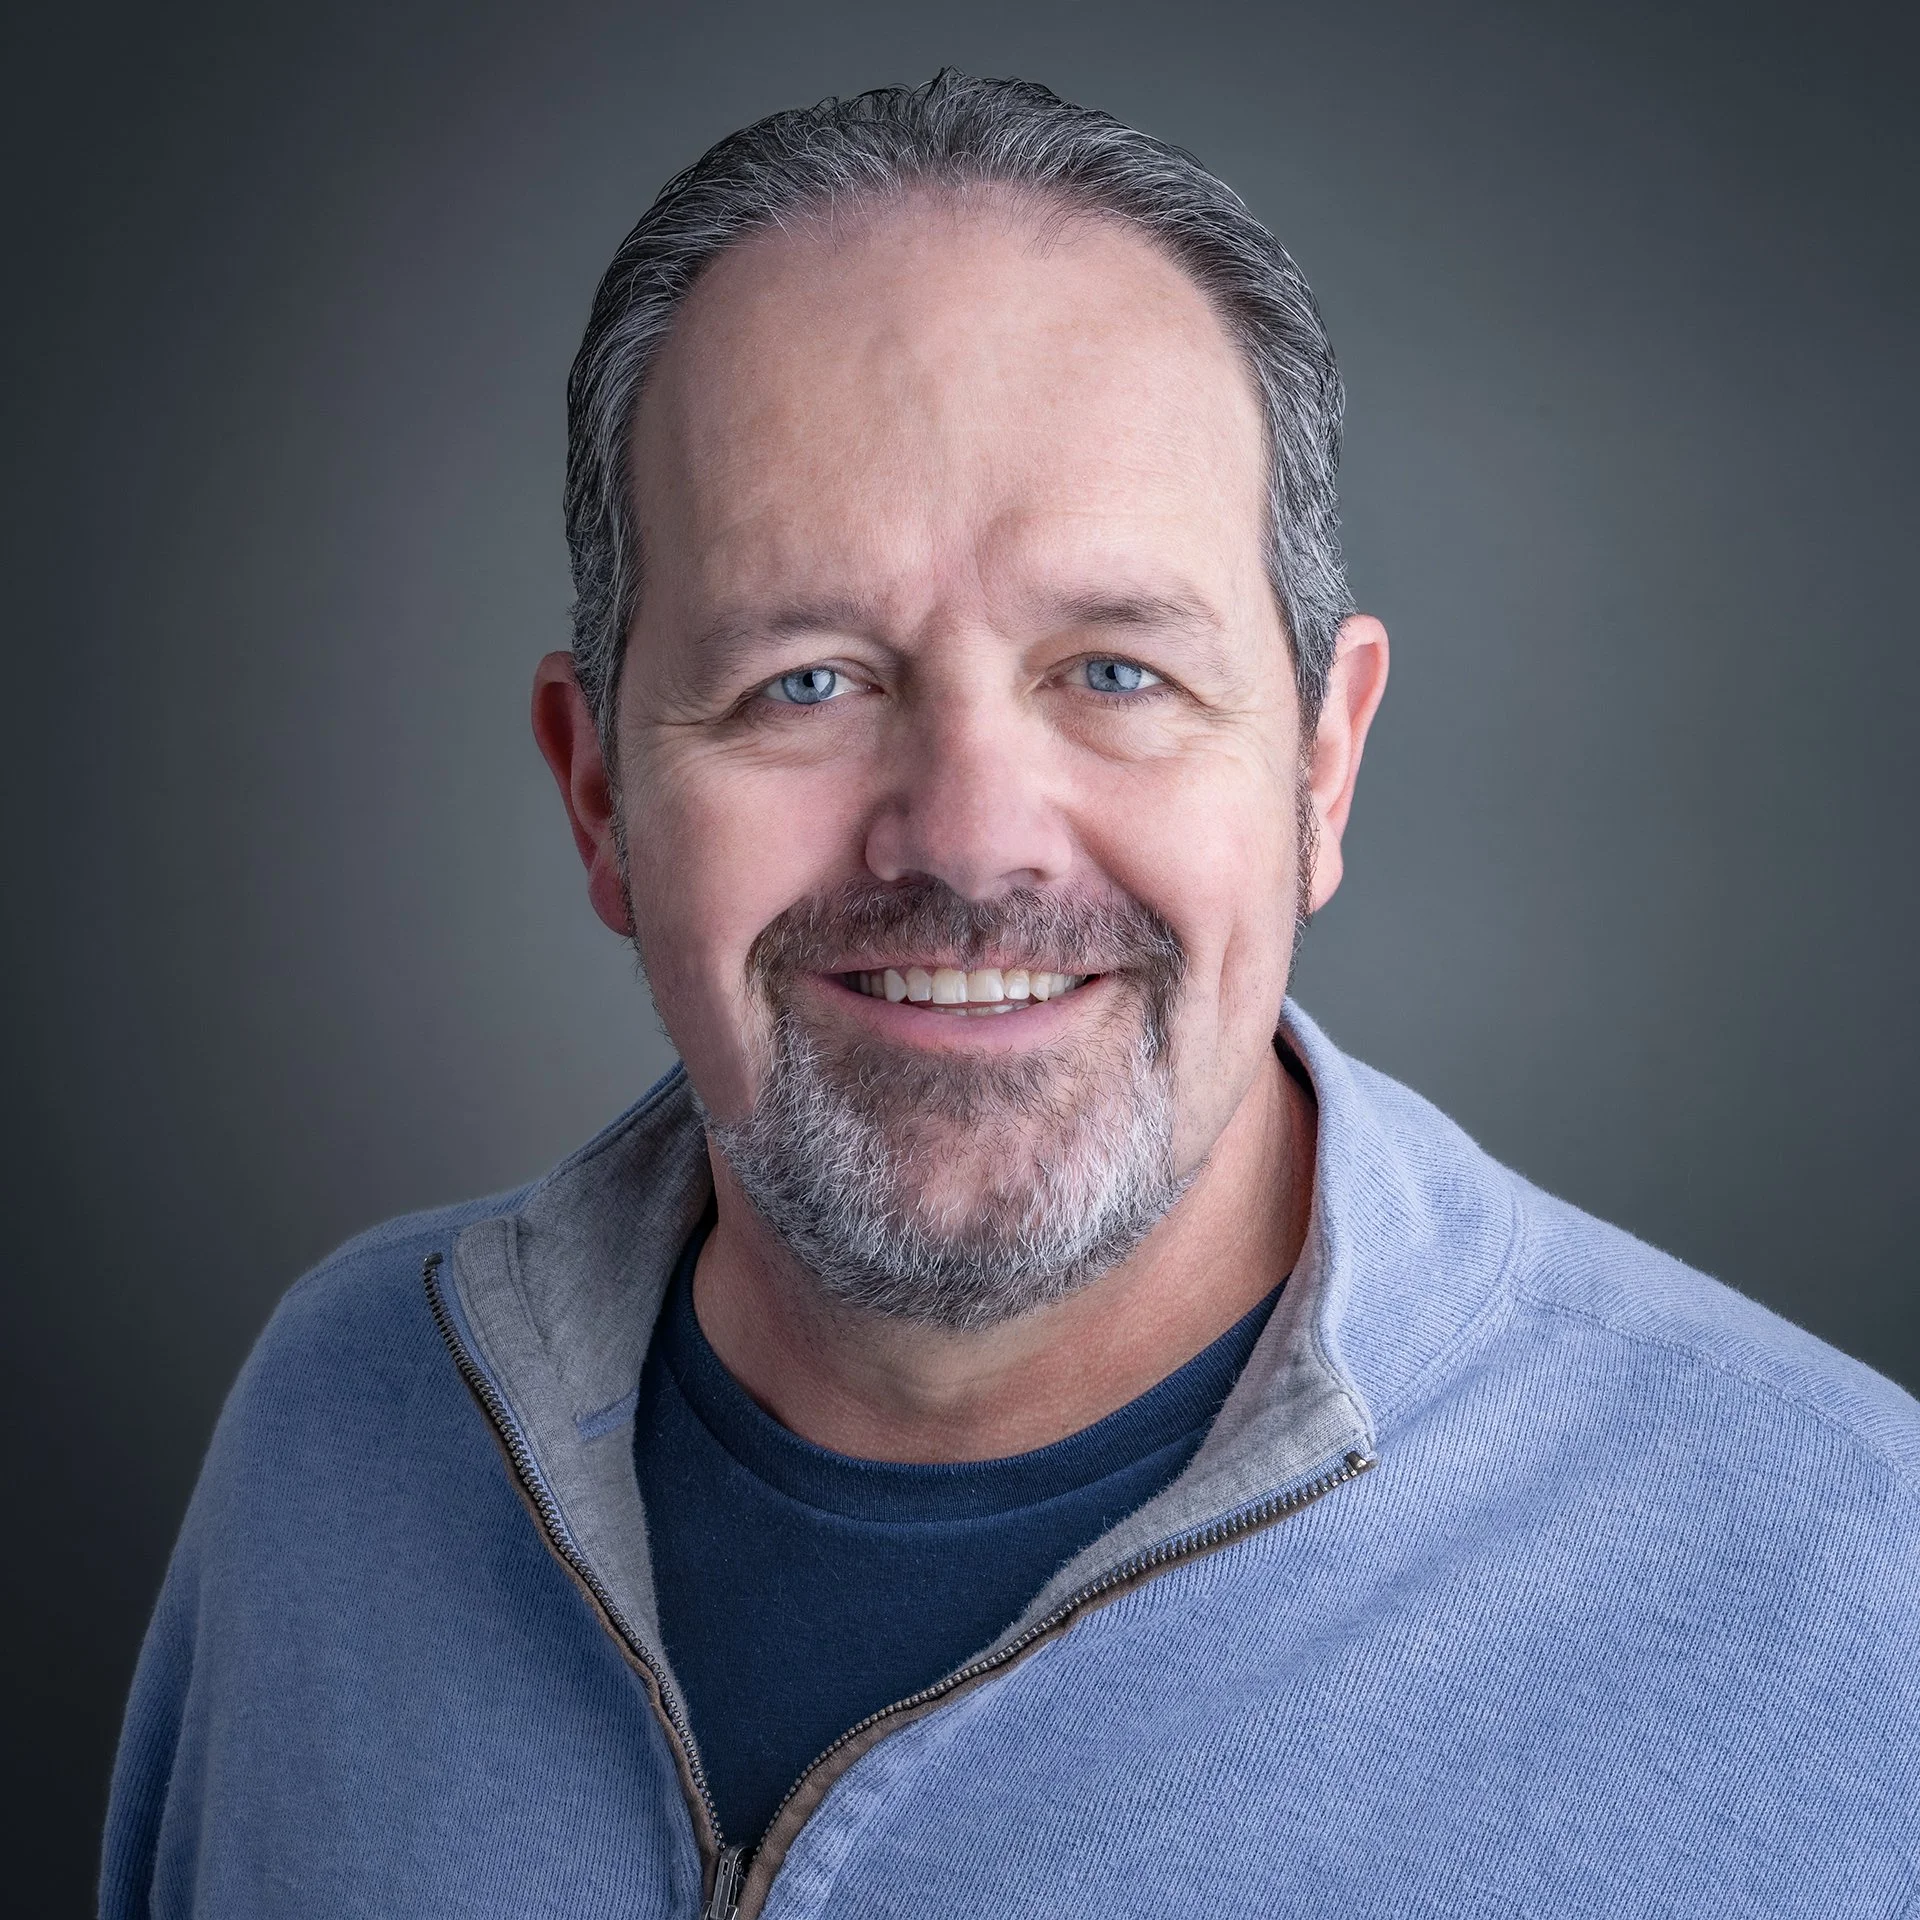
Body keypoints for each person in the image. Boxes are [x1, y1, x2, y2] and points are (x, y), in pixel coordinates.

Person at [101, 72, 1919, 1920]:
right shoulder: (342, 1429)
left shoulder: (1858, 1605)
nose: (968, 836)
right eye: (804, 681)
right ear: (600, 797)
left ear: (1323, 767)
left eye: (1116, 671)